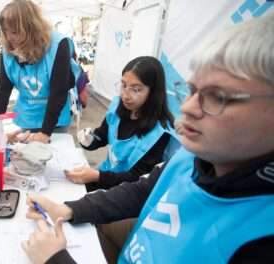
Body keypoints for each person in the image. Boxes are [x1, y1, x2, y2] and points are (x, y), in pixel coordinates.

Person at [23, 14, 274, 264]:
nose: (187, 108)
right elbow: (141, 190)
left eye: (217, 97)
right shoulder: (190, 158)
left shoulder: (259, 240)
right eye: (192, 91)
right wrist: (70, 208)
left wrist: (56, 260)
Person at [66, 56, 179, 191]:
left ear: (153, 91)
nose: (126, 95)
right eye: (124, 85)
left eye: (136, 89)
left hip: (126, 193)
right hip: (105, 176)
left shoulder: (160, 133)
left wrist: (97, 176)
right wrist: (90, 140)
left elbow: (137, 179)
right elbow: (102, 135)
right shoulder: (119, 107)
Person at [0, 0, 81, 143]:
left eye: (14, 32)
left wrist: (45, 133)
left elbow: (59, 92)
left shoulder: (58, 45)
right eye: (5, 31)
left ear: (31, 27)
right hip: (26, 118)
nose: (9, 38)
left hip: (54, 122)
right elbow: (3, 90)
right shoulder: (8, 49)